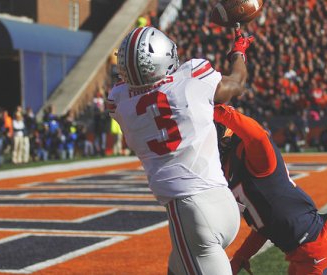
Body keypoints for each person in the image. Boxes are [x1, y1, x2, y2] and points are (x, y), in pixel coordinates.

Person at [107, 26, 254, 274]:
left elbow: (130, 88)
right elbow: (237, 83)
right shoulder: (193, 76)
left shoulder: (119, 103)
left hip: (190, 214)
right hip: (221, 201)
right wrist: (238, 52)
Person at [214, 104, 327, 275]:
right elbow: (265, 225)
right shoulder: (228, 168)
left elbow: (258, 136)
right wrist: (241, 256)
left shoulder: (253, 156)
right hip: (301, 252)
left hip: (320, 249)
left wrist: (217, 110)